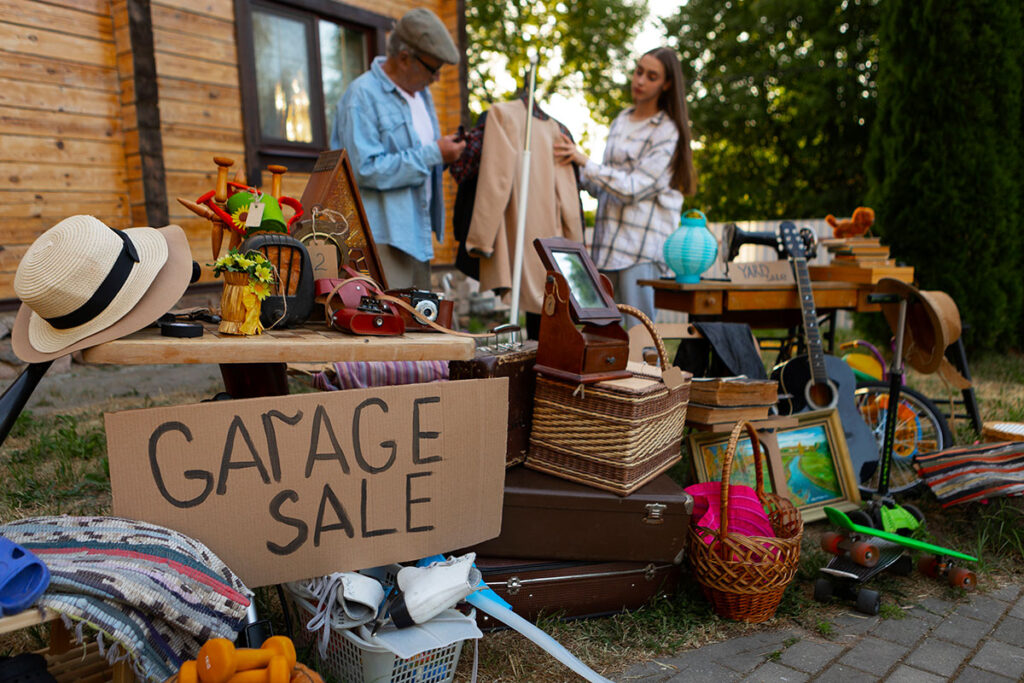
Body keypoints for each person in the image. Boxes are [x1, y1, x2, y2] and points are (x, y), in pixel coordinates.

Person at [553, 47, 697, 324]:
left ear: (666, 84)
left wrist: (586, 163)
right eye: (638, 71)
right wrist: (573, 171)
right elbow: (605, 186)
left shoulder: (667, 131)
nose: (640, 80)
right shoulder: (621, 121)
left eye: (651, 76)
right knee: (603, 337)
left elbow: (633, 189)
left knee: (638, 337)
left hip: (639, 252)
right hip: (606, 248)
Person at [330, 8, 466, 289]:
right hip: (380, 239)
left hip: (416, 236)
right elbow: (365, 169)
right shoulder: (362, 96)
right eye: (433, 69)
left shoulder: (422, 95)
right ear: (405, 58)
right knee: (387, 326)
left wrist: (447, 154)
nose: (437, 79)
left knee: (417, 326)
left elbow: (417, 158)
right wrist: (434, 154)